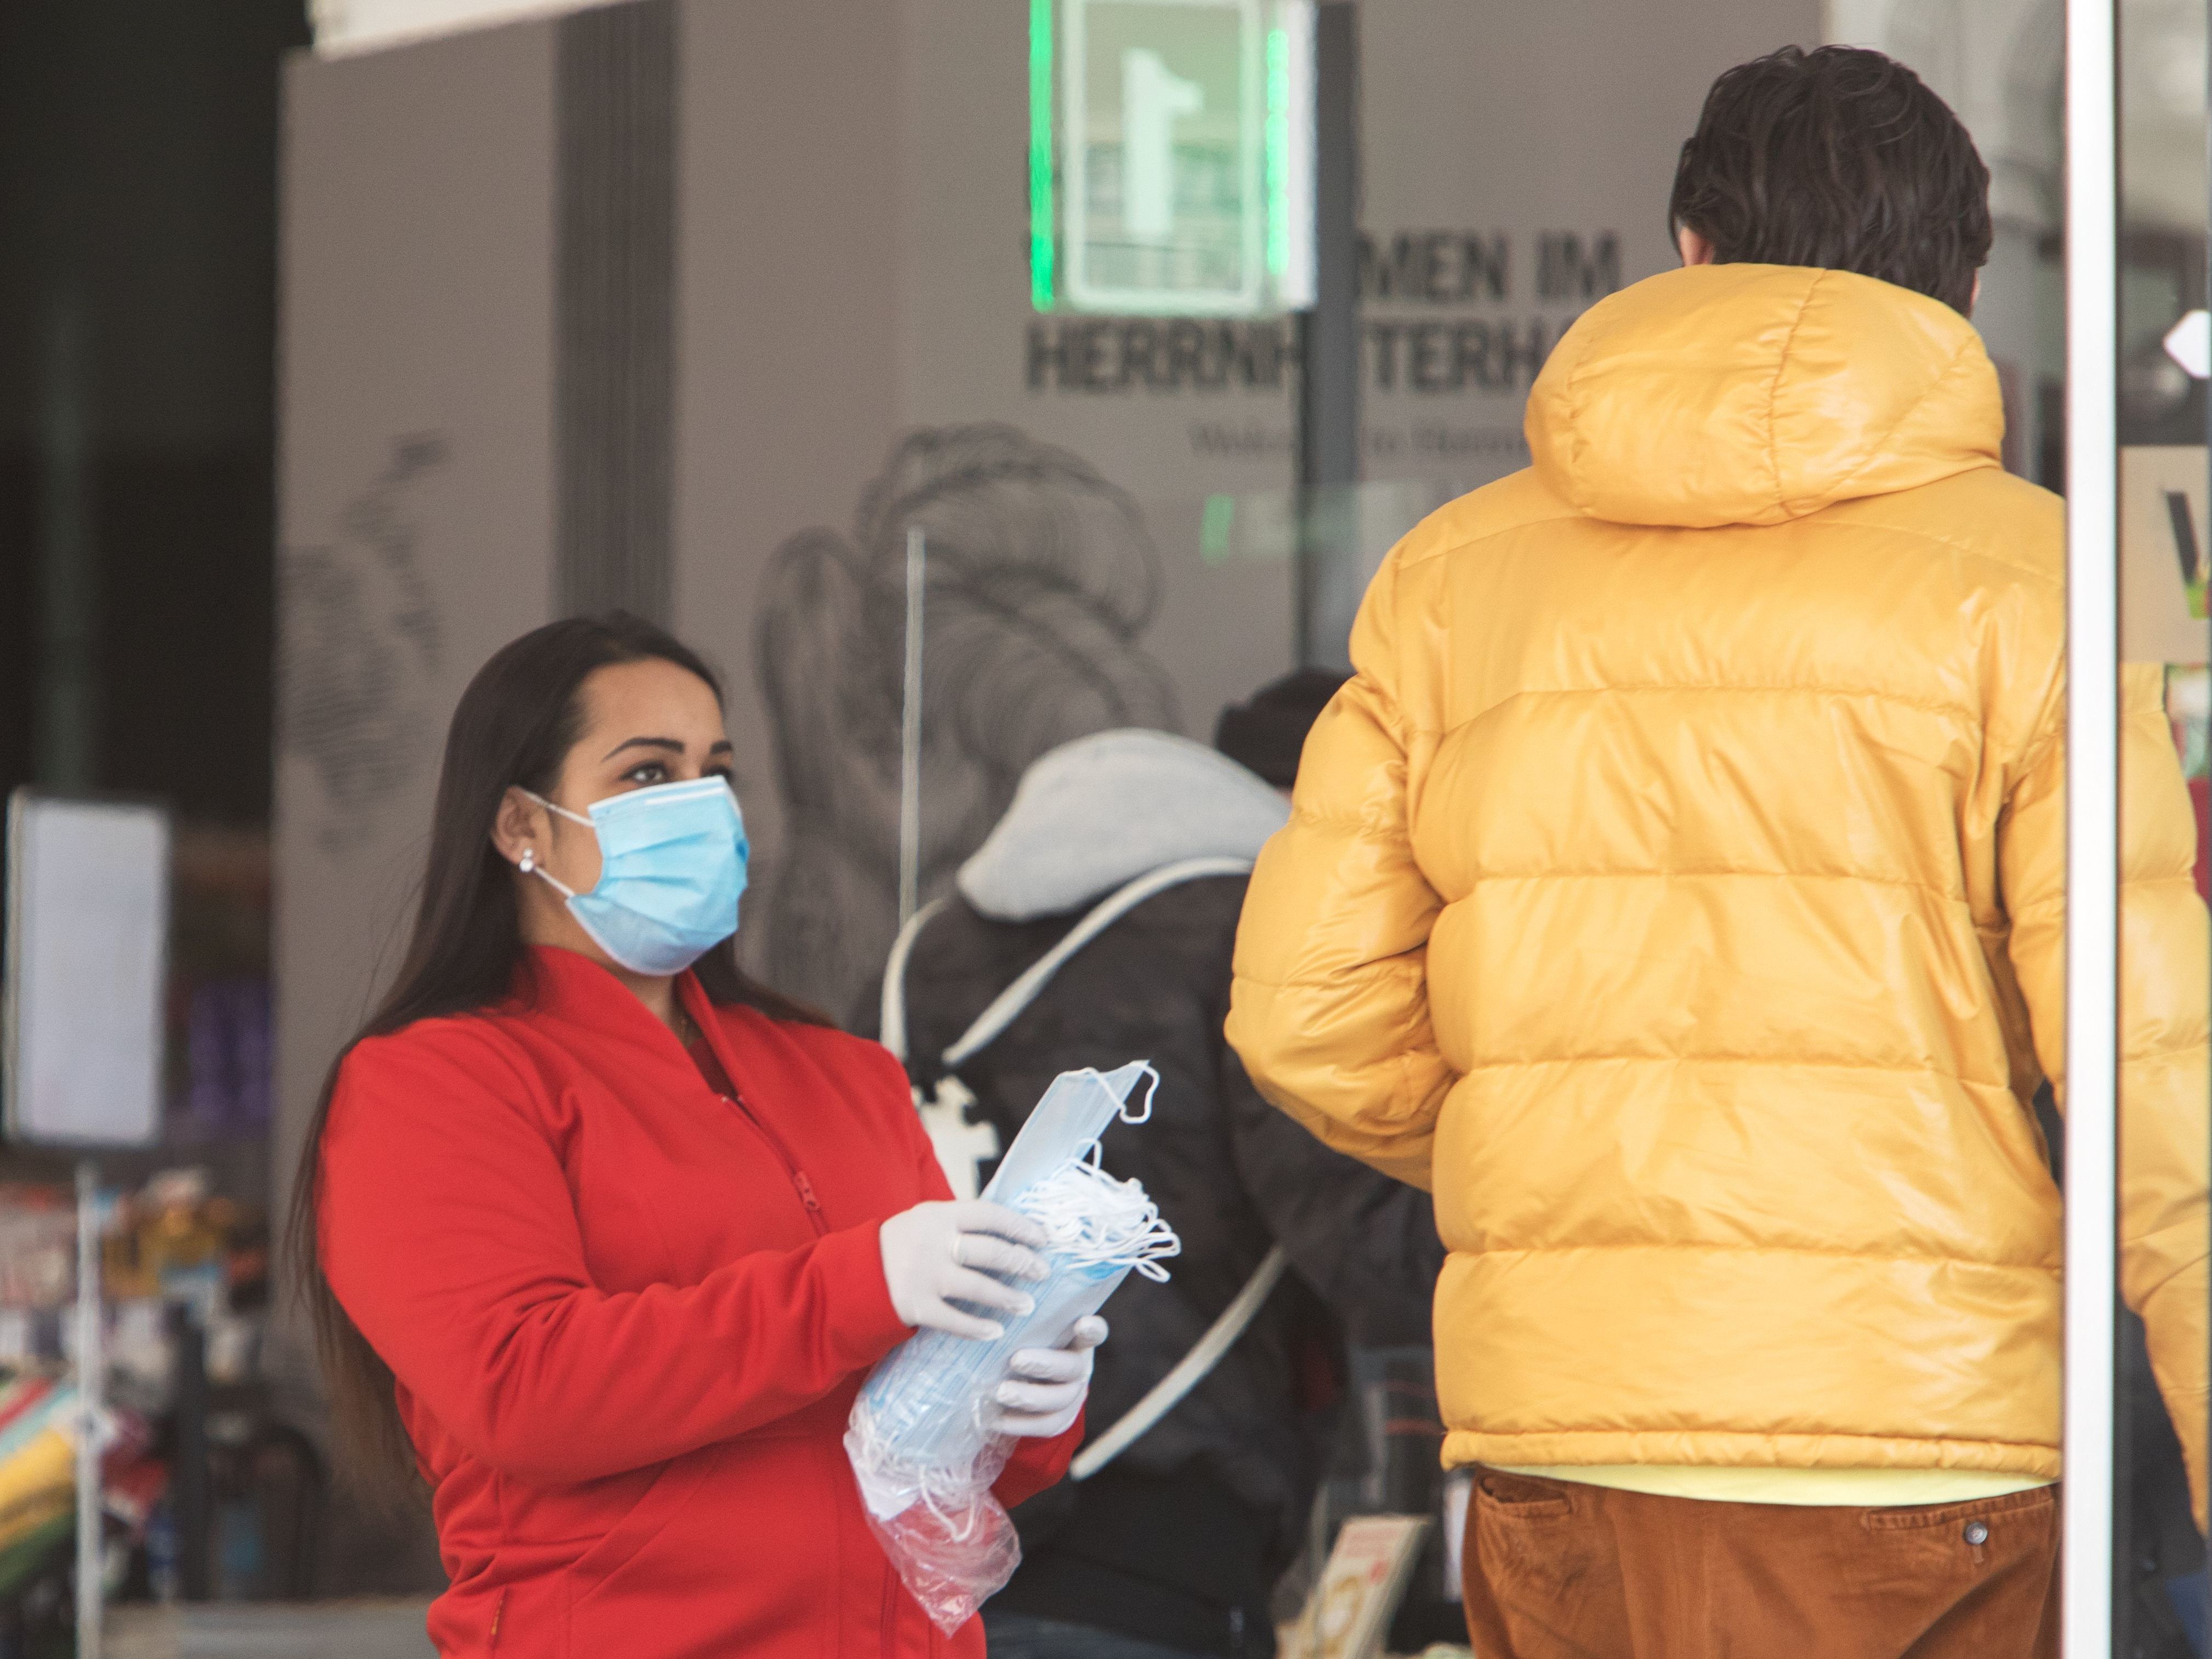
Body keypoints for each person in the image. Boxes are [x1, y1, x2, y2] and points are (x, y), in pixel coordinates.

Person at [1226, 44, 2210, 1659]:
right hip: (1904, 1431)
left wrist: (1576, 1159)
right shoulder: (2046, 583)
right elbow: (2147, 1073)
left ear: (1687, 248)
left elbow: (1299, 1014)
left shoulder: (1449, 574)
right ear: (1961, 287)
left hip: (1557, 1445)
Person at [290, 613, 1107, 1658]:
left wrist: (1016, 1400)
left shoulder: (844, 1072)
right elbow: (520, 1389)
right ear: (518, 826)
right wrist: (858, 1286)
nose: (699, 804)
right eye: (645, 773)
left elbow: (916, 1434)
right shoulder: (433, 1079)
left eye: (714, 770)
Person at [886, 674, 1444, 1659]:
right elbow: (1371, 1245)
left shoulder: (923, 947)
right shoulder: (1248, 933)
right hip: (1159, 1552)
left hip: (926, 1544)